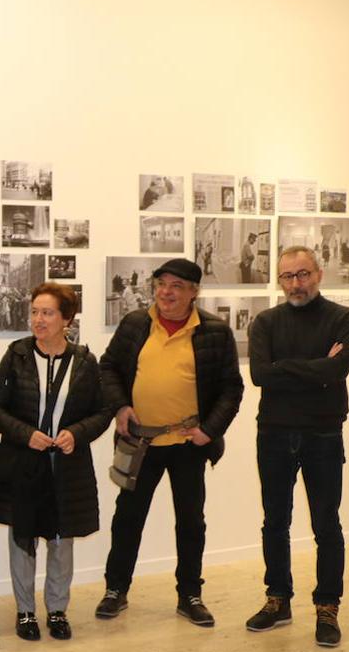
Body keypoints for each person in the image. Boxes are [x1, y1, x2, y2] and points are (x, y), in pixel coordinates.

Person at [95, 259, 243, 626]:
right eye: (161, 283)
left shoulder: (214, 331)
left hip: (188, 445)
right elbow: (109, 367)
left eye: (177, 285)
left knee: (191, 522)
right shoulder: (135, 324)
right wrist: (120, 406)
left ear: (194, 292)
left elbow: (231, 388)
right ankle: (116, 589)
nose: (166, 292)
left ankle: (190, 594)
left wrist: (210, 429)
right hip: (139, 442)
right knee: (127, 518)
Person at [0, 283, 111, 641]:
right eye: (35, 312)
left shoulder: (85, 361)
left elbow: (103, 411)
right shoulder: (17, 354)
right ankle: (25, 612)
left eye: (48, 313)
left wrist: (77, 433)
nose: (38, 320)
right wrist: (25, 434)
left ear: (66, 319)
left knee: (60, 539)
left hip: (66, 466)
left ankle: (57, 610)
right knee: (22, 536)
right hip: (23, 463)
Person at [246, 246, 349, 647]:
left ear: (319, 273)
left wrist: (286, 368)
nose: (296, 283)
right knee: (274, 521)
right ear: (280, 280)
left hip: (323, 434)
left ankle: (327, 606)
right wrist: (317, 368)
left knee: (326, 524)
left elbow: (338, 370)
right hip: (274, 433)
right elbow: (260, 375)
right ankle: (278, 599)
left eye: (303, 274)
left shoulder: (344, 318)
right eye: (288, 277)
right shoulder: (265, 322)